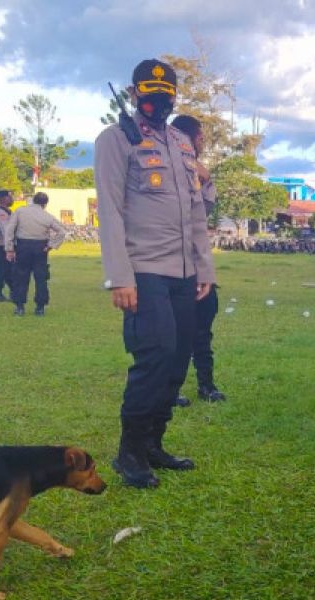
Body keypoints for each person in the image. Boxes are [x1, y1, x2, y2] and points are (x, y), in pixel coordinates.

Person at [95, 59, 215, 489]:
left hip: (184, 271)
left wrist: (205, 267)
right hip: (144, 269)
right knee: (155, 356)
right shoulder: (116, 139)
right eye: (149, 94)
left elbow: (197, 209)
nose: (157, 102)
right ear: (133, 94)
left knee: (179, 356)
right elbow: (108, 209)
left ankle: (153, 444)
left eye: (165, 95)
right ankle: (129, 453)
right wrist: (119, 276)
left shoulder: (182, 143)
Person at [169, 114, 226, 406]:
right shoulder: (166, 169)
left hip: (198, 267)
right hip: (169, 267)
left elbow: (202, 212)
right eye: (201, 138)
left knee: (202, 332)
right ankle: (170, 389)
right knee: (173, 335)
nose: (203, 143)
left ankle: (207, 385)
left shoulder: (196, 171)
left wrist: (206, 180)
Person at [4, 192, 65, 317]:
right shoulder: (47, 216)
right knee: (41, 278)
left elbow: (10, 229)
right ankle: (40, 307)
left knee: (20, 277)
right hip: (40, 248)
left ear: (33, 200)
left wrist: (9, 248)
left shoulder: (20, 211)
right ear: (45, 204)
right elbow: (61, 232)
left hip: (23, 246)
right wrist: (50, 246)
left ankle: (20, 307)